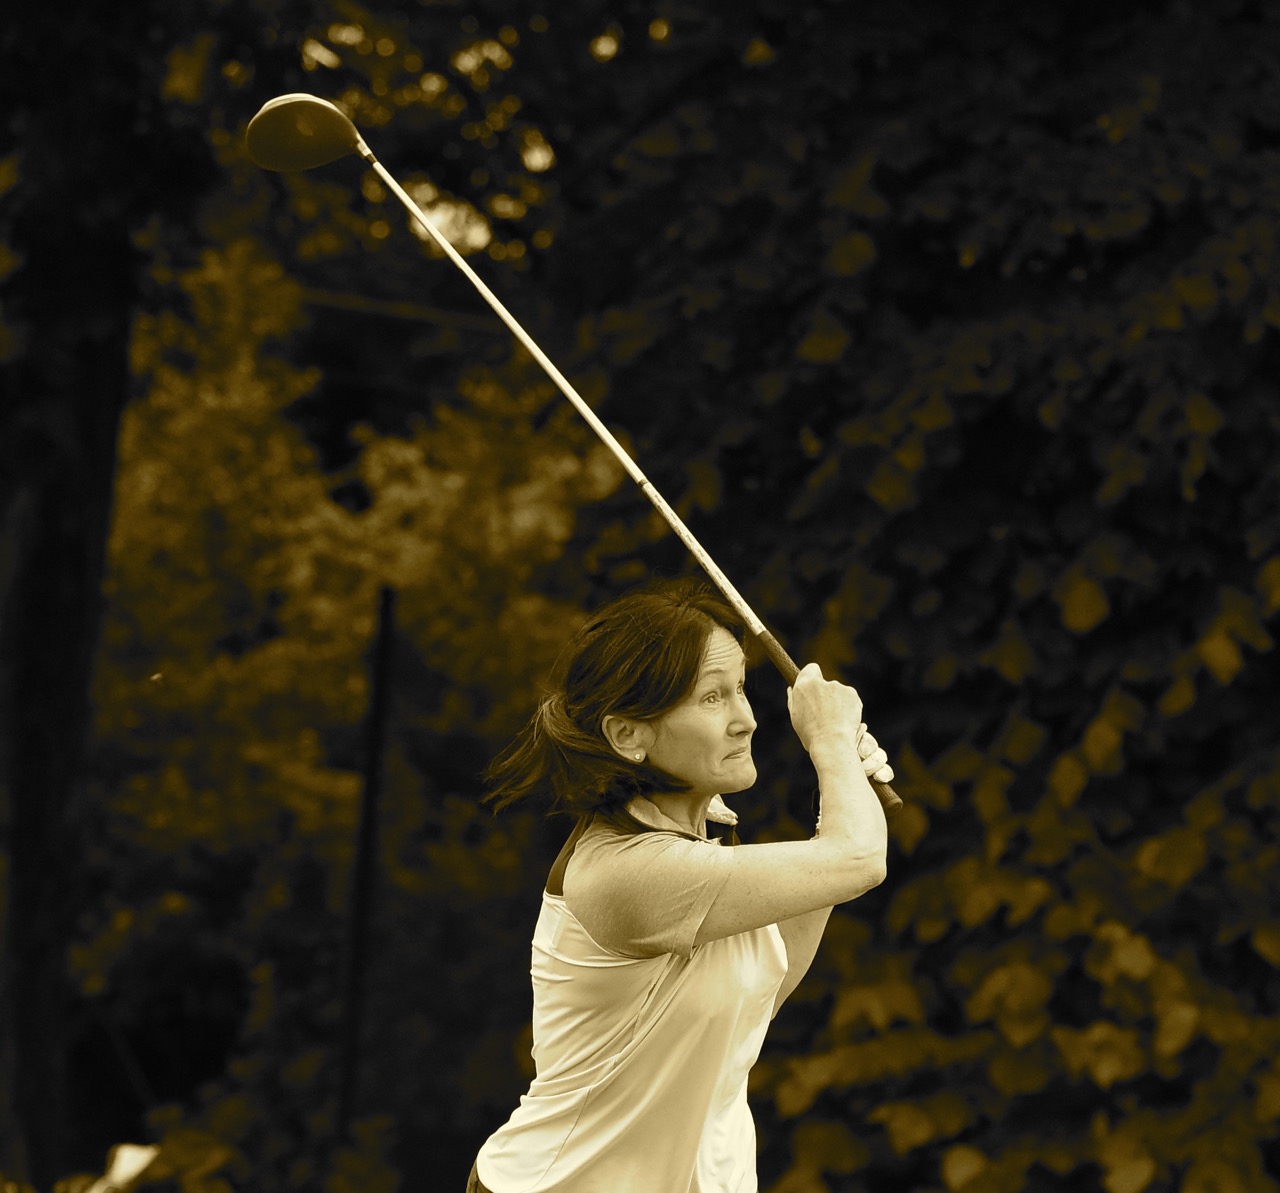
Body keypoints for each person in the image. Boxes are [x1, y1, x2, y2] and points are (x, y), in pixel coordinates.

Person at [466, 577, 893, 1193]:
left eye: (740, 688)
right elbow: (860, 861)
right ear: (627, 735)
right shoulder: (629, 873)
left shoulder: (706, 848)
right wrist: (829, 743)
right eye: (712, 698)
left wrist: (841, 791)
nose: (747, 720)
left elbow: (762, 994)